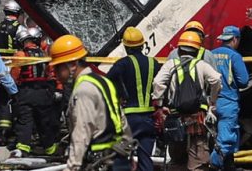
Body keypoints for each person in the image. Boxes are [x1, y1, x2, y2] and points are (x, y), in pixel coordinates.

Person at [49, 34, 133, 171]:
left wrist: (72, 167)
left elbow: (82, 131)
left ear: (72, 65)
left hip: (99, 162)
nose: (56, 74)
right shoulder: (104, 82)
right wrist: (128, 154)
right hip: (118, 159)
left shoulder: (83, 90)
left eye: (58, 68)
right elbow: (121, 120)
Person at [153, 31, 222, 171]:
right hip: (197, 118)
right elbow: (216, 79)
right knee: (198, 155)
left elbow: (157, 83)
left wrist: (159, 106)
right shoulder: (201, 65)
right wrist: (212, 101)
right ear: (197, 51)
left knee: (177, 157)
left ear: (179, 49)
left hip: (175, 117)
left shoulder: (170, 65)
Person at [107, 27, 162, 171]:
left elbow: (108, 81)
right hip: (149, 118)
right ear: (143, 45)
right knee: (145, 159)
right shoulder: (154, 63)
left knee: (120, 158)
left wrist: (119, 94)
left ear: (126, 47)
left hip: (130, 119)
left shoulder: (122, 64)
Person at [11, 27, 59, 156]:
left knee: (25, 121)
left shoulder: (20, 55)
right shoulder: (44, 55)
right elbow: (51, 74)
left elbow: (14, 75)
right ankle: (50, 149)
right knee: (44, 121)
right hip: (43, 92)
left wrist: (14, 92)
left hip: (26, 92)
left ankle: (23, 149)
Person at [210, 26, 250, 170]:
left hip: (211, 103)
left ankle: (228, 166)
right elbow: (244, 81)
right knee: (227, 139)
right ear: (234, 39)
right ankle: (214, 165)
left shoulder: (211, 54)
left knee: (218, 138)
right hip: (228, 103)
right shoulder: (234, 56)